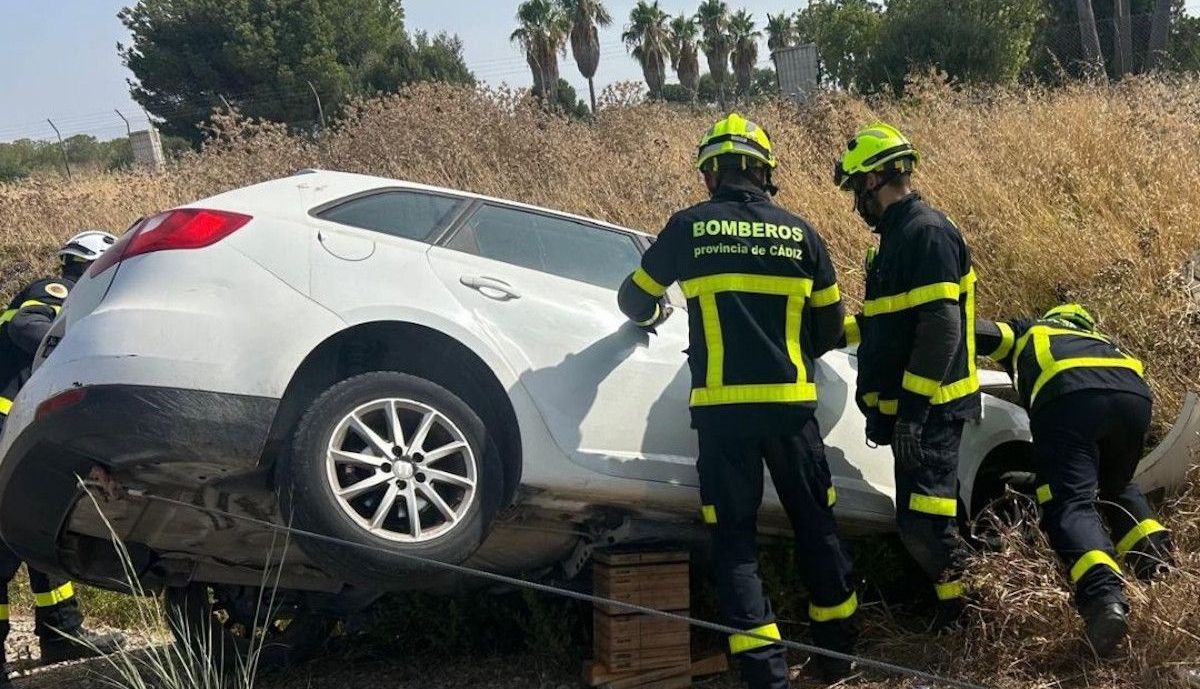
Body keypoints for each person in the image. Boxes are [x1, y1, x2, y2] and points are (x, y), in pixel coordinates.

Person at [619, 113, 858, 686]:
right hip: (792, 411)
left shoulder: (688, 228)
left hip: (723, 417)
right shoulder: (803, 234)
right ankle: (836, 656)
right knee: (816, 527)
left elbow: (635, 299)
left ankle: (764, 675)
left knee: (735, 542)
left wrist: (657, 312)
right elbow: (828, 332)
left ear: (711, 175)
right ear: (764, 171)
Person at [834, 123, 979, 629]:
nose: (857, 202)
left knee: (923, 525)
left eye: (857, 188)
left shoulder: (927, 233)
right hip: (913, 413)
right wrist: (834, 335)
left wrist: (912, 414)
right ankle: (946, 608)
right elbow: (890, 323)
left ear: (876, 180)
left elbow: (941, 329)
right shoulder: (897, 240)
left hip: (931, 412)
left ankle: (975, 613)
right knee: (928, 518)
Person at [976, 303, 1174, 656]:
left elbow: (980, 332)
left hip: (1071, 397)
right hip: (1134, 399)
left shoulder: (1031, 331)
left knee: (1071, 503)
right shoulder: (1102, 341)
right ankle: (1158, 568)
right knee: (1118, 487)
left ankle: (1104, 600)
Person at [0, 230, 124, 685]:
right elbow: (26, 327)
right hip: (3, 428)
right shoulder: (56, 291)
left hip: (28, 432)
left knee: (42, 530)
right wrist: (82, 343)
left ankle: (61, 633)